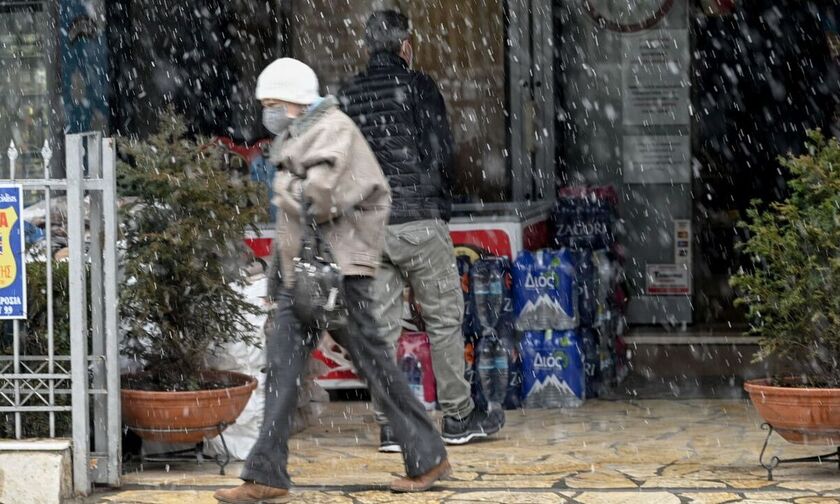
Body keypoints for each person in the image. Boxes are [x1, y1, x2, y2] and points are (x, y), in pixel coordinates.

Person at [214, 58, 451, 503]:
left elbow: (317, 200)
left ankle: (428, 454)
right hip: (304, 275)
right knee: (282, 369)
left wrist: (282, 187)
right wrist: (276, 278)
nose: (267, 111)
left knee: (376, 367)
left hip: (340, 273)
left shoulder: (333, 129)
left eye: (272, 103)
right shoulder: (298, 133)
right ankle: (266, 473)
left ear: (293, 101)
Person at [339, 10, 505, 453]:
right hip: (417, 220)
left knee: (383, 328)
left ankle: (392, 426)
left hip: (370, 226)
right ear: (405, 45)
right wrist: (436, 204)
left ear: (369, 46)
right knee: (443, 320)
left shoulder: (349, 93)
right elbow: (440, 150)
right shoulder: (418, 85)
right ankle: (458, 416)